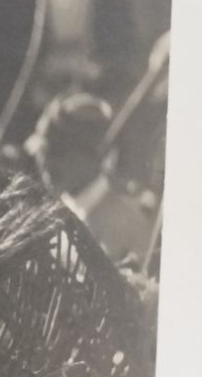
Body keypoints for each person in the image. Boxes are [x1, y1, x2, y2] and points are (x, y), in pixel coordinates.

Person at [25, 92, 154, 266]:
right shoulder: (53, 217)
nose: (46, 162)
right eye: (42, 151)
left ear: (96, 155)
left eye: (59, 151)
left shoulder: (127, 225)